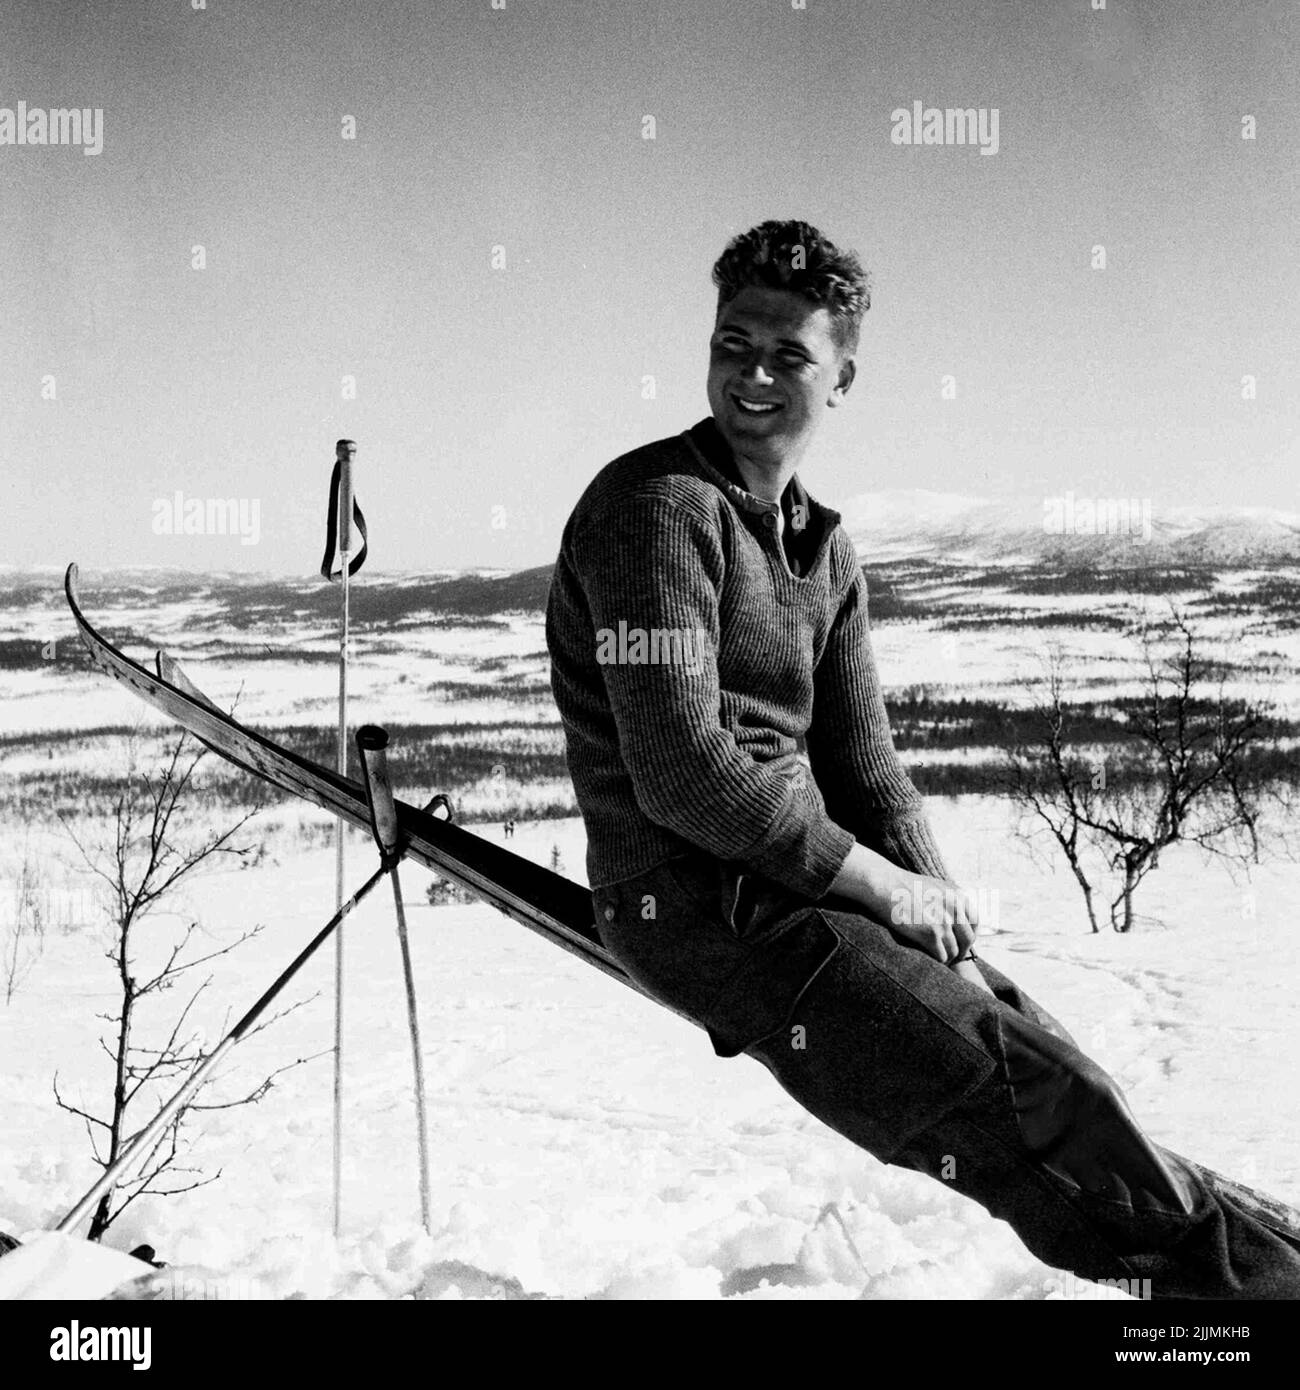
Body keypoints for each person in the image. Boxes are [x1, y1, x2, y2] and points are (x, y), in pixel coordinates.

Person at [545, 219, 1300, 1298]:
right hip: (695, 896)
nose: (752, 372)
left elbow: (869, 772)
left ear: (842, 374)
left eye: (788, 353)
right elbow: (684, 775)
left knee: (1061, 1072)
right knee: (1035, 1107)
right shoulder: (657, 510)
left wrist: (937, 916)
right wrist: (877, 886)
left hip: (799, 890)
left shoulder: (820, 545)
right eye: (733, 341)